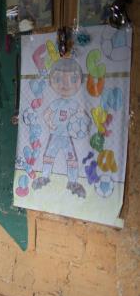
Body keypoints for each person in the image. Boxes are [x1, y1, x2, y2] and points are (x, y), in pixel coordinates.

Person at [32, 58, 86, 198]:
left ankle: (73, 182)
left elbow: (82, 114)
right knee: (49, 156)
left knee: (71, 158)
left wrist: (80, 123)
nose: (65, 84)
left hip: (67, 137)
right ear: (51, 82)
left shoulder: (74, 104)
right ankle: (44, 177)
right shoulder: (56, 103)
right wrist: (50, 124)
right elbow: (46, 114)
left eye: (72, 79)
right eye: (59, 79)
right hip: (55, 135)